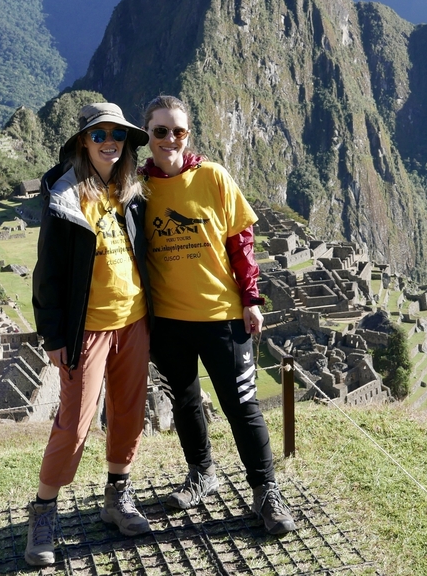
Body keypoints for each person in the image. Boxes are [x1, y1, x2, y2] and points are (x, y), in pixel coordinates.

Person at [139, 94, 296, 535]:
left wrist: (250, 299)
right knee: (185, 403)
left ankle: (265, 490)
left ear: (188, 134)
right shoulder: (139, 189)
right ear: (147, 134)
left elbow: (240, 241)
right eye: (160, 131)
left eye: (179, 131)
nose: (170, 139)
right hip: (167, 322)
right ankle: (201, 473)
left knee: (242, 405)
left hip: (222, 317)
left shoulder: (213, 177)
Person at [24, 102, 154, 566]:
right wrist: (55, 337)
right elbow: (48, 275)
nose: (109, 143)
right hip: (88, 331)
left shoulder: (130, 193)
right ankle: (43, 511)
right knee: (76, 421)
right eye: (99, 135)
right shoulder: (65, 197)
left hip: (134, 321)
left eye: (116, 136)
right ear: (83, 141)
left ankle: (117, 496)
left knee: (129, 413)